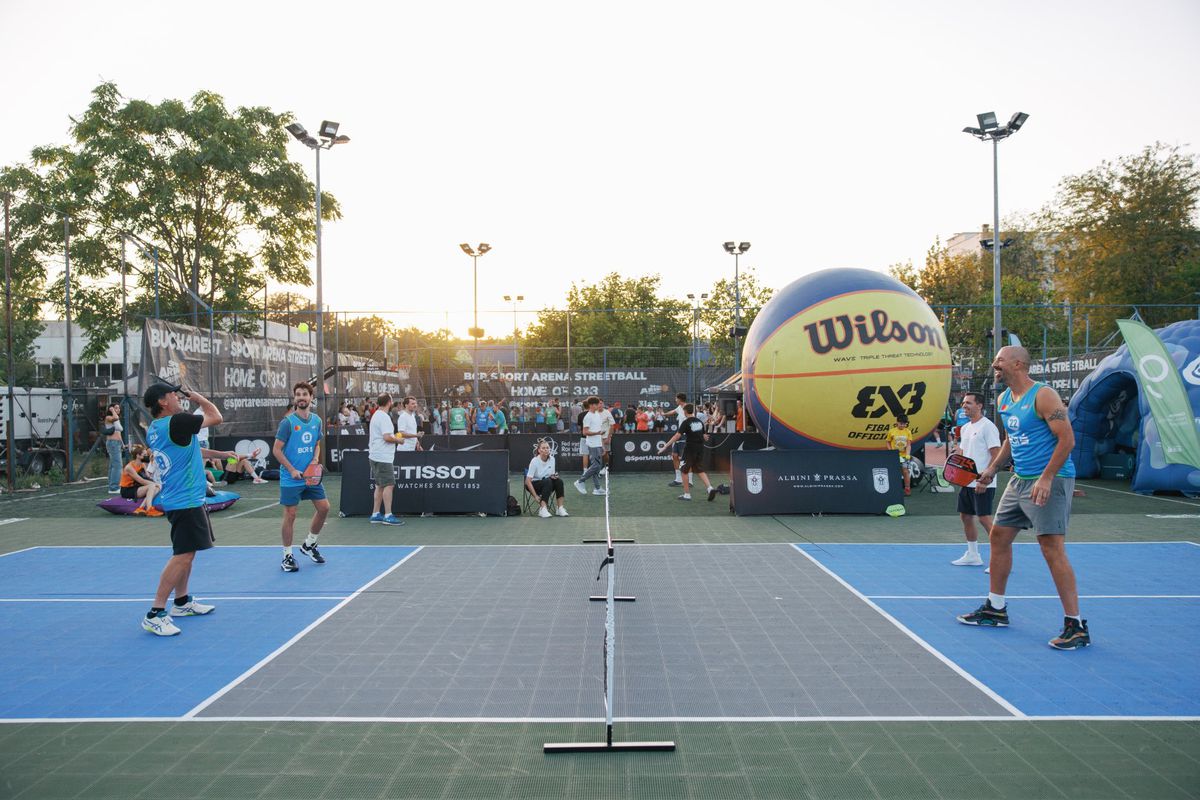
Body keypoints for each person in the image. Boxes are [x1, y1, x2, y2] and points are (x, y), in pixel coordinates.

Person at [957, 345, 1089, 650]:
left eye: (1000, 361)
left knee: (1051, 547)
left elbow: (1066, 439)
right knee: (999, 536)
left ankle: (1076, 625)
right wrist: (991, 468)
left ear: (1018, 364)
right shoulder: (1004, 399)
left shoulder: (1043, 396)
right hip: (1020, 480)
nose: (995, 366)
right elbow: (1009, 440)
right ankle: (995, 608)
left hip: (1050, 480)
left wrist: (1047, 477)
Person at [140, 382, 220, 636]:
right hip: (185, 500)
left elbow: (190, 449)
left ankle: (182, 602)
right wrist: (199, 398)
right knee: (182, 555)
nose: (178, 398)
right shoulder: (177, 422)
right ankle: (155, 612)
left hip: (185, 498)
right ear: (163, 402)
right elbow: (215, 416)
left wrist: (225, 453)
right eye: (174, 395)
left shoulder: (157, 428)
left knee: (188, 552)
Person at [272, 383, 331, 572]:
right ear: (294, 398)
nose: (301, 397)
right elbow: (276, 450)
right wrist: (291, 470)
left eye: (304, 394)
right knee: (291, 514)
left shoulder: (316, 421)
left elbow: (317, 444)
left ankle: (309, 544)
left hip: (310, 476)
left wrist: (315, 460)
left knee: (324, 508)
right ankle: (287, 556)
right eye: (297, 395)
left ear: (311, 397)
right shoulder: (287, 423)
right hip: (291, 477)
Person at [951, 392, 1001, 568]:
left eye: (968, 403)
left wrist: (985, 479)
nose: (964, 406)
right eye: (963, 403)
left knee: (984, 518)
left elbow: (996, 455)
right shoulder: (965, 428)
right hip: (967, 481)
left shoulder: (988, 427)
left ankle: (999, 559)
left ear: (979, 406)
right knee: (965, 516)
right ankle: (973, 555)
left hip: (983, 482)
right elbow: (963, 455)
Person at [658, 403, 718, 501]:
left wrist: (665, 446)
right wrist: (704, 437)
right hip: (700, 448)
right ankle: (710, 488)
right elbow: (703, 436)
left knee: (684, 470)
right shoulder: (699, 422)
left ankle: (687, 494)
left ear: (685, 411)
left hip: (690, 449)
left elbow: (677, 436)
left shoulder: (686, 422)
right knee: (699, 469)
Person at [367, 392, 405, 525]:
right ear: (389, 402)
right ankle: (388, 515)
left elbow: (386, 435)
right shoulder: (383, 417)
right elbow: (387, 437)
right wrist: (399, 441)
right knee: (389, 485)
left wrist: (394, 437)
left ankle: (375, 514)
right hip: (382, 456)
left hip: (376, 455)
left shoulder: (377, 415)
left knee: (380, 485)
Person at [573, 396, 608, 496]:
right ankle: (580, 481)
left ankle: (597, 488)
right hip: (592, 444)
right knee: (596, 466)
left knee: (597, 466)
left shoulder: (596, 414)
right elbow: (585, 431)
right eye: (597, 404)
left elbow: (599, 431)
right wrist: (597, 433)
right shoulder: (588, 416)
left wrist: (602, 444)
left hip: (597, 443)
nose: (599, 405)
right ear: (592, 405)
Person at [525, 439, 569, 518]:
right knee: (547, 481)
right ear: (539, 450)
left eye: (547, 448)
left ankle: (560, 508)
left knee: (559, 481)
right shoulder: (534, 461)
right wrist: (535, 496)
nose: (546, 450)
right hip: (534, 485)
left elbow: (551, 475)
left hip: (546, 483)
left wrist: (554, 476)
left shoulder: (552, 459)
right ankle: (543, 509)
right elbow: (527, 481)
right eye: (543, 448)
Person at [121, 444, 162, 515]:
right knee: (152, 486)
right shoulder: (129, 467)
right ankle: (149, 509)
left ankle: (141, 507)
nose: (146, 457)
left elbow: (148, 477)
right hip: (127, 490)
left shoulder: (142, 464)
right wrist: (154, 484)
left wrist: (152, 462)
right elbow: (141, 481)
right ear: (138, 456)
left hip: (137, 487)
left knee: (157, 487)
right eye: (144, 455)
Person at [886, 414, 913, 496]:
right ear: (897, 422)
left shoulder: (908, 431)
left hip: (904, 456)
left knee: (905, 472)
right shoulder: (891, 431)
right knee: (894, 472)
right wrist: (891, 452)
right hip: (894, 456)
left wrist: (908, 454)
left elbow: (908, 444)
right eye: (901, 423)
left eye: (904, 424)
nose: (903, 425)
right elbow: (888, 442)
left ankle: (907, 488)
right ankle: (894, 489)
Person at [103, 402, 124, 494]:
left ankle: (112, 485)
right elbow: (115, 417)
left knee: (113, 465)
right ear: (111, 409)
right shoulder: (109, 418)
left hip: (117, 443)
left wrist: (122, 444)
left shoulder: (117, 420)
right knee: (117, 465)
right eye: (116, 408)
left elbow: (118, 432)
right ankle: (114, 487)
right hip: (112, 443)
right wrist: (111, 410)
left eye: (118, 408)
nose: (118, 409)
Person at [668, 393, 688, 486]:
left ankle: (690, 481)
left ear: (680, 399)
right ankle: (678, 479)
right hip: (679, 434)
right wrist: (663, 413)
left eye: (676, 399)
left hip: (686, 435)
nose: (675, 400)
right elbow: (672, 412)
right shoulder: (679, 407)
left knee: (685, 459)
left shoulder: (688, 408)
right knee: (674, 455)